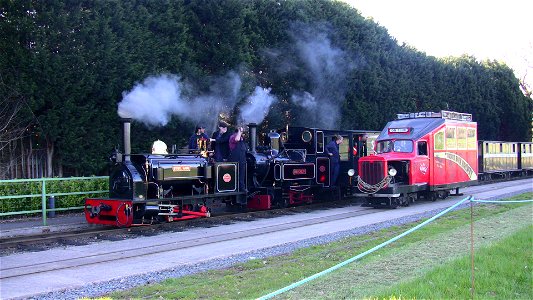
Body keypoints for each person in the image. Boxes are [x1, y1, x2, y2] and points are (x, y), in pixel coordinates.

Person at [229, 126, 248, 195]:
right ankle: (234, 188)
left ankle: (242, 187)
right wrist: (240, 131)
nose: (243, 133)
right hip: (235, 158)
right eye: (242, 132)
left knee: (242, 174)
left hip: (242, 159)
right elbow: (237, 139)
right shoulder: (233, 137)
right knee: (235, 174)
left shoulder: (242, 139)